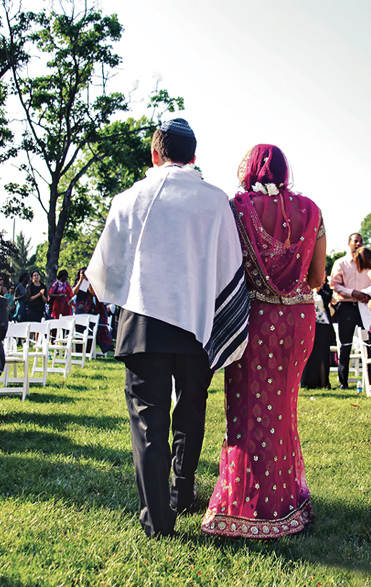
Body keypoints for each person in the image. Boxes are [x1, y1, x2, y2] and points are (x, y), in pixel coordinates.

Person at [86, 118, 250, 538]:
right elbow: (228, 266)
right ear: (194, 157)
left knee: (149, 423)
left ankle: (159, 521)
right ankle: (182, 491)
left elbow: (106, 270)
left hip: (143, 326)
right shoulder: (215, 202)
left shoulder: (129, 198)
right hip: (198, 322)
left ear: (154, 154)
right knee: (191, 410)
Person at [201, 143, 325, 539]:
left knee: (247, 408)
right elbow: (318, 279)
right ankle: (286, 505)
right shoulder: (312, 210)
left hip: (255, 317)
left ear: (250, 169)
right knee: (283, 411)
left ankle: (244, 506)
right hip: (298, 320)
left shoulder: (238, 207)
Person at [329, 233, 371, 389]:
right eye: (356, 241)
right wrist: (352, 293)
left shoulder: (368, 263)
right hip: (346, 306)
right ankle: (343, 382)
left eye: (361, 241)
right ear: (349, 243)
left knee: (369, 342)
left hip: (364, 307)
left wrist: (368, 295)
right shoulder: (341, 263)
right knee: (345, 344)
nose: (359, 243)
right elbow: (334, 285)